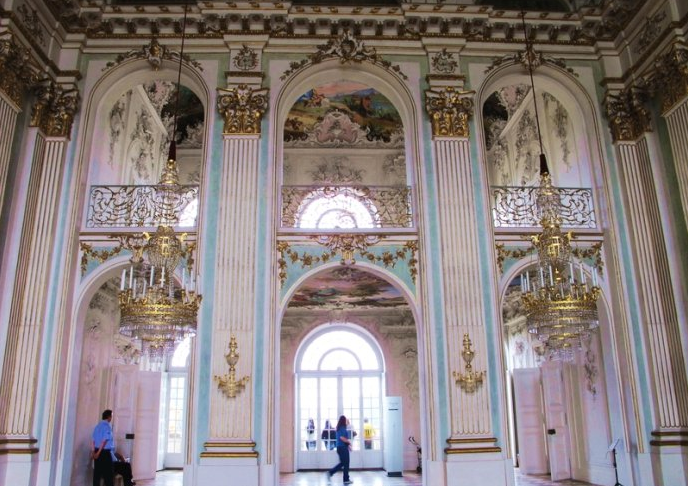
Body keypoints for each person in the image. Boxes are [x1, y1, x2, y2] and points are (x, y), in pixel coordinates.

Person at [326, 415, 353, 485]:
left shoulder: (340, 428)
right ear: (343, 420)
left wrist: (348, 446)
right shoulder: (341, 428)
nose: (346, 421)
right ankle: (345, 479)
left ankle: (331, 473)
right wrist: (349, 442)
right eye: (346, 420)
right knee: (346, 463)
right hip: (342, 448)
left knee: (343, 463)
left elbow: (343, 439)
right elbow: (342, 438)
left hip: (341, 448)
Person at [91, 409, 115, 486]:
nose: (111, 418)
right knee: (108, 475)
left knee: (97, 474)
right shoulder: (107, 427)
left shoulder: (97, 426)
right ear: (109, 417)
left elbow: (93, 440)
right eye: (111, 416)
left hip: (96, 451)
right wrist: (98, 453)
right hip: (104, 453)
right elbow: (104, 441)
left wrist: (93, 452)